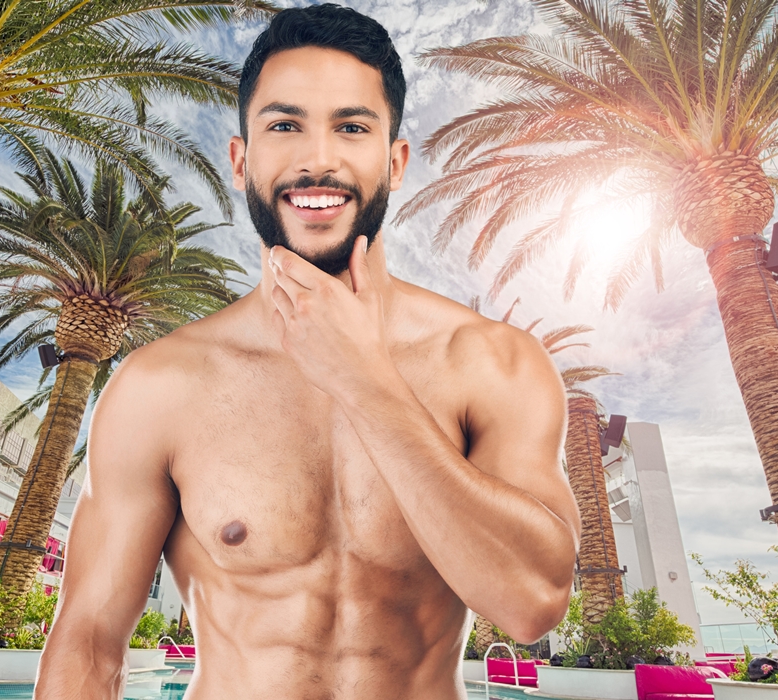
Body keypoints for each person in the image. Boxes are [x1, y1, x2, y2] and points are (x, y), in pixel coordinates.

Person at [35, 5, 580, 699]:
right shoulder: (161, 385)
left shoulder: (492, 364)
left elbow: (532, 603)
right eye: (284, 126)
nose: (318, 158)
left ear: (395, 160)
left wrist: (365, 381)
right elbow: (88, 637)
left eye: (351, 127)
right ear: (241, 159)